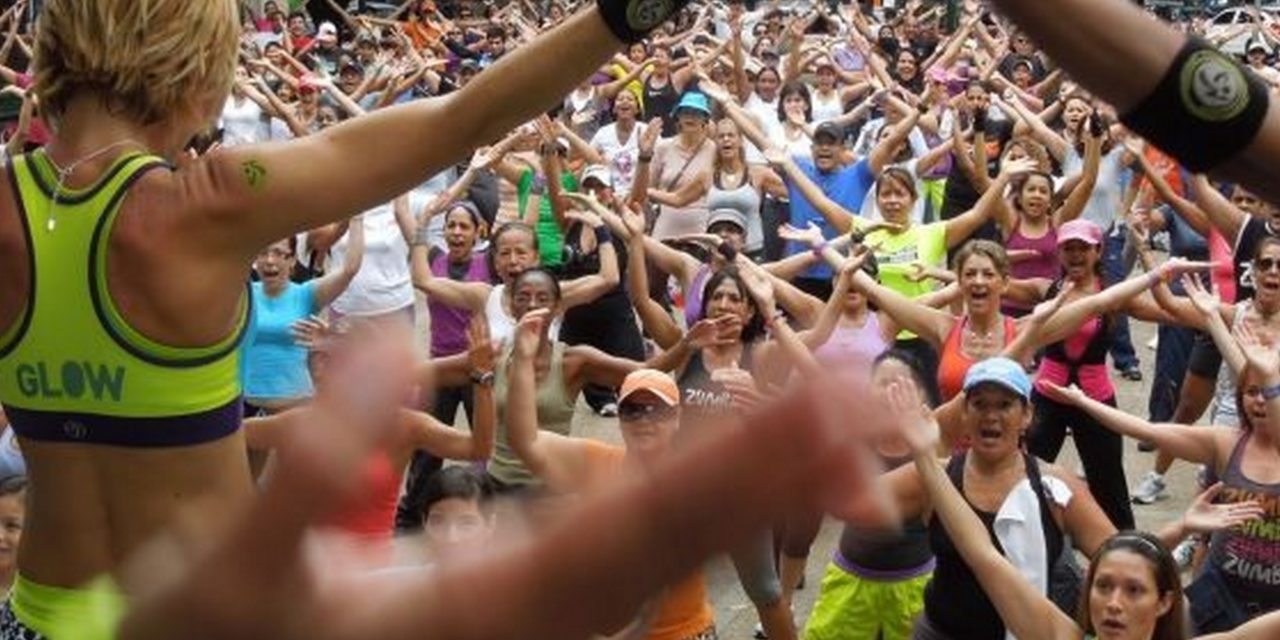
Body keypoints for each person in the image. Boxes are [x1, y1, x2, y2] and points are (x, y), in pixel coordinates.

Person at [0, 0, 699, 635]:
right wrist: (625, 15)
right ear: (189, 67)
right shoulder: (208, 203)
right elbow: (464, 117)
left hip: (36, 615)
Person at [890, 365, 1280, 640]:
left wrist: (1272, 384)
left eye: (1134, 592)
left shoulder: (1057, 485)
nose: (1113, 604)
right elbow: (981, 551)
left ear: (1164, 603)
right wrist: (924, 457)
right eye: (1103, 586)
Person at [507, 324, 718, 640]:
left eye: (656, 409)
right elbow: (525, 441)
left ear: (677, 418)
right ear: (619, 417)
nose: (644, 419)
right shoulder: (597, 462)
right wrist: (523, 362)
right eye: (632, 409)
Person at [241, 223, 364, 417]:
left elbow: (350, 269)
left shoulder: (306, 294)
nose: (270, 260)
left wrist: (358, 218)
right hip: (247, 404)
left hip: (295, 404)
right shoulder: (244, 293)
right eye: (263, 253)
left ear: (292, 260)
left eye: (279, 253)